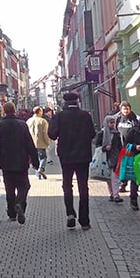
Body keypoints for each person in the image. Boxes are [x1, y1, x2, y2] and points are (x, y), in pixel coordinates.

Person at [48, 92, 96, 230]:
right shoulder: (85, 116)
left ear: (64, 103)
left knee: (67, 185)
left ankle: (70, 213)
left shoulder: (59, 116)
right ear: (77, 101)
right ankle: (85, 220)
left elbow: (52, 134)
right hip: (83, 156)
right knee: (83, 186)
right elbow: (92, 133)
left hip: (66, 156)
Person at [0, 101, 39, 224]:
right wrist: (35, 162)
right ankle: (19, 203)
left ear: (4, 111)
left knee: (9, 188)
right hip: (21, 161)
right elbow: (30, 145)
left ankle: (12, 214)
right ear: (14, 110)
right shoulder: (22, 125)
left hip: (6, 162)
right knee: (24, 186)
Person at [96, 115, 124, 203]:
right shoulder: (101, 133)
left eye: (113, 122)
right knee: (108, 178)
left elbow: (119, 146)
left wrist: (121, 155)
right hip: (104, 157)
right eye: (110, 122)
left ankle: (116, 195)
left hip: (114, 157)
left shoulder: (116, 133)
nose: (112, 124)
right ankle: (112, 193)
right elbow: (97, 145)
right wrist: (104, 148)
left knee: (114, 176)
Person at [114, 101, 138, 193]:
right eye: (124, 109)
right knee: (122, 166)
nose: (126, 111)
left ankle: (127, 183)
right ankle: (123, 184)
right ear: (121, 109)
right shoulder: (117, 118)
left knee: (129, 165)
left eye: (127, 109)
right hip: (120, 146)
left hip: (131, 147)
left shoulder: (134, 118)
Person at [26, 106, 52, 179]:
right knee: (43, 157)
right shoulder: (43, 121)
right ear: (40, 112)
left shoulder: (28, 121)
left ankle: (37, 174)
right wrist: (48, 142)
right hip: (40, 143)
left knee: (35, 159)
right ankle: (41, 169)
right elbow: (45, 133)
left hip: (30, 143)